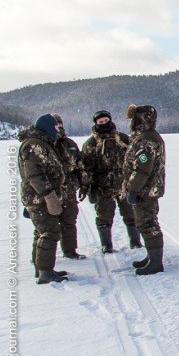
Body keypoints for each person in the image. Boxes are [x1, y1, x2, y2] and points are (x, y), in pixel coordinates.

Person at [18, 114, 69, 284]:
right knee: (50, 232)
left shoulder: (42, 143)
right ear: (47, 127)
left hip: (39, 197)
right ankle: (45, 272)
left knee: (42, 232)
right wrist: (49, 195)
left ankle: (42, 268)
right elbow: (35, 175)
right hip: (40, 198)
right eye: (56, 128)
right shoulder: (34, 145)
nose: (58, 131)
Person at [83, 110, 141, 253]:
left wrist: (135, 181)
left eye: (105, 120)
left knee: (131, 214)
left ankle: (136, 242)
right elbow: (86, 168)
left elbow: (135, 160)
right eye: (100, 122)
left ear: (110, 120)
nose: (103, 123)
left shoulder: (122, 138)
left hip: (124, 184)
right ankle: (106, 245)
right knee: (104, 217)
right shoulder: (91, 143)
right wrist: (89, 187)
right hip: (103, 187)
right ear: (96, 123)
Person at [122, 104, 166, 275]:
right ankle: (151, 257)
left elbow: (142, 169)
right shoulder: (147, 137)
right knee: (146, 222)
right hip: (147, 189)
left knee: (147, 224)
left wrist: (133, 189)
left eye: (134, 118)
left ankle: (156, 263)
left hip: (144, 190)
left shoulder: (147, 139)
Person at [51, 113, 89, 260]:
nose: (58, 127)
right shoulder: (44, 144)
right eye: (55, 124)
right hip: (50, 192)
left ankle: (70, 251)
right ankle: (43, 256)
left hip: (68, 190)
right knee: (48, 225)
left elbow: (80, 167)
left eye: (60, 124)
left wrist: (83, 185)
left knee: (69, 222)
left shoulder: (70, 144)